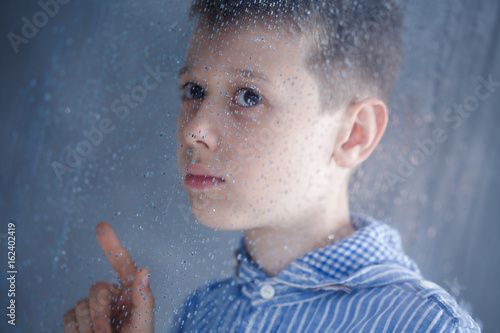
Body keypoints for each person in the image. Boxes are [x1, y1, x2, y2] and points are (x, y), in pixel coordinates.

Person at [63, 0, 482, 332]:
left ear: (354, 134)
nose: (194, 129)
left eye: (247, 96)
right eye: (194, 89)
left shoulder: (425, 327)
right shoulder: (203, 313)